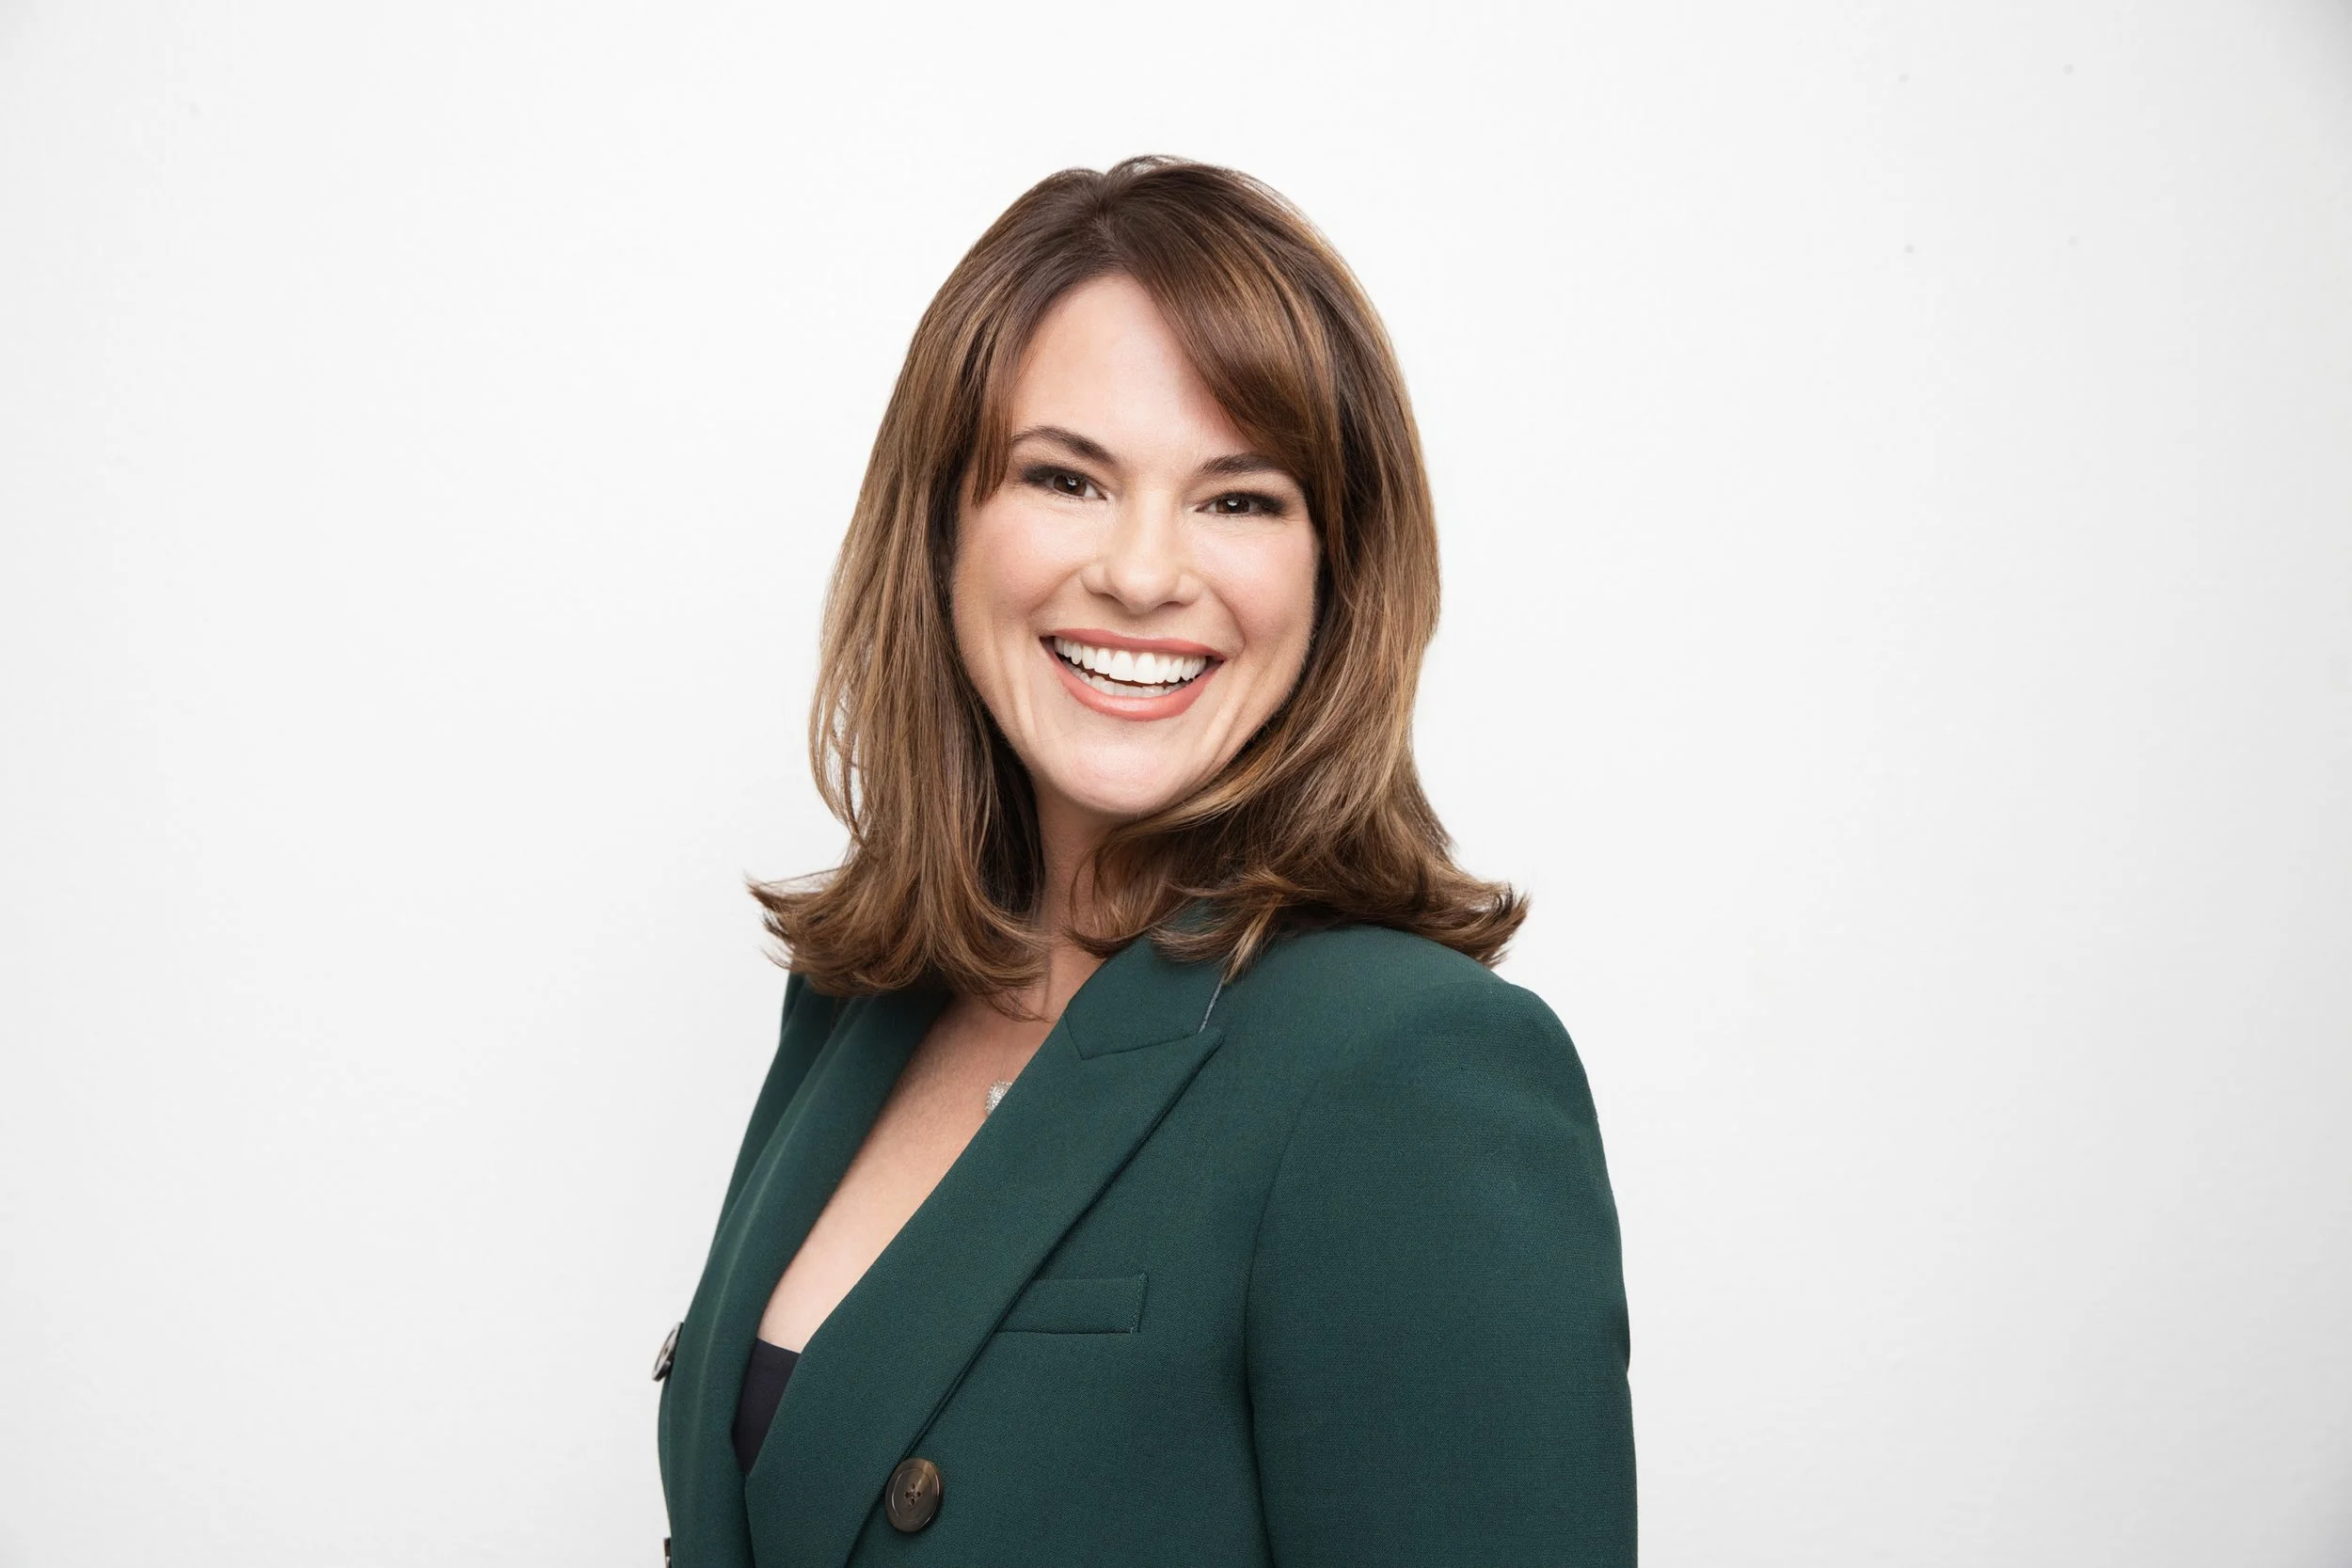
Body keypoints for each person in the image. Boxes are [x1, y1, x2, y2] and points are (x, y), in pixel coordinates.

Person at [652, 154, 1635, 1567]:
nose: (1141, 571)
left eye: (1239, 500)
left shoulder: (1410, 1070)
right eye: (1066, 477)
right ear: (945, 528)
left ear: (1336, 574)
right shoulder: (861, 1004)